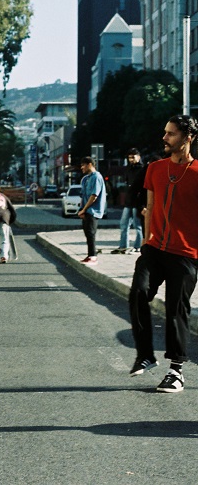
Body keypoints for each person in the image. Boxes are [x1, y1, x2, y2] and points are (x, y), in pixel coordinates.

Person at [128, 114, 198, 393]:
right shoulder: (155, 169)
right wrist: (147, 241)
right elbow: (150, 206)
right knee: (138, 292)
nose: (164, 137)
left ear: (187, 138)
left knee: (176, 310)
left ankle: (176, 371)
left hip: (186, 253)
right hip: (154, 248)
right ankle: (145, 355)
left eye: (170, 133)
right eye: (165, 132)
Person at [111, 148, 144, 254]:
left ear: (138, 157)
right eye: (129, 157)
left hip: (138, 202)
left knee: (138, 226)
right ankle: (123, 246)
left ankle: (138, 246)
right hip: (128, 201)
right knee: (124, 224)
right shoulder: (128, 169)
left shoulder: (142, 169)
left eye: (133, 157)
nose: (131, 160)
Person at [76, 156, 106, 264]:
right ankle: (90, 255)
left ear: (89, 164)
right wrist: (81, 210)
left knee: (91, 233)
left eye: (83, 165)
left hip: (93, 210)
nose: (81, 168)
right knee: (87, 233)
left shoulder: (96, 177)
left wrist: (84, 209)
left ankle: (93, 257)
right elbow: (83, 195)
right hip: (86, 211)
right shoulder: (86, 179)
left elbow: (94, 196)